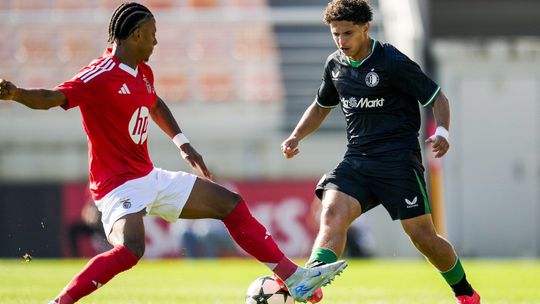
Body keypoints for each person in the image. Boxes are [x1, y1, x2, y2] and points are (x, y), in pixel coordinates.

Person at [0, 2, 346, 303]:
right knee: (131, 249)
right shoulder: (99, 75)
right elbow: (52, 97)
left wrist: (182, 143)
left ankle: (294, 278)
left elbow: (154, 102)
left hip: (149, 176)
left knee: (230, 204)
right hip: (116, 185)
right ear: (135, 35)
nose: (156, 40)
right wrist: (16, 94)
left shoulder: (142, 72)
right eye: (152, 32)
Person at [280, 1, 481, 303]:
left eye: (347, 33)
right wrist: (296, 136)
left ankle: (465, 293)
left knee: (423, 238)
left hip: (398, 162)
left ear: (365, 27)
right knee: (332, 212)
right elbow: (322, 106)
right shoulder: (335, 64)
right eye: (335, 34)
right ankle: (313, 277)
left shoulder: (391, 62)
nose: (341, 41)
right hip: (357, 159)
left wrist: (441, 131)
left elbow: (437, 98)